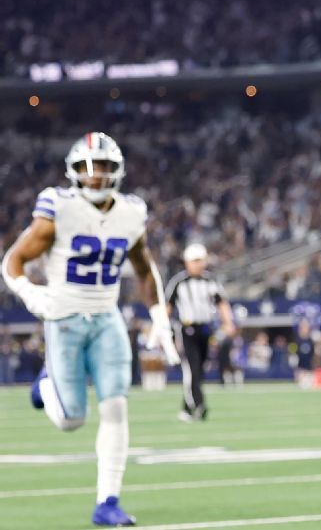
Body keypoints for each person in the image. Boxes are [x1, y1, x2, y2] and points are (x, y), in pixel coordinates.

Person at [2, 132, 179, 527]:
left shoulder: (132, 212)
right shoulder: (59, 207)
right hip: (64, 318)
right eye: (87, 168)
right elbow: (12, 261)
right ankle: (44, 386)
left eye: (103, 167)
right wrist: (31, 294)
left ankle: (107, 502)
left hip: (106, 316)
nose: (95, 176)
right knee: (70, 420)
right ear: (74, 171)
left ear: (117, 171)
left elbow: (143, 265)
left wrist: (159, 316)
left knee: (116, 407)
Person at [164, 242, 237, 421]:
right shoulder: (179, 282)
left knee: (200, 369)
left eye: (201, 260)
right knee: (192, 368)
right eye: (195, 260)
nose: (199, 264)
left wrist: (228, 322)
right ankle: (199, 405)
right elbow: (168, 307)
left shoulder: (210, 281)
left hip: (206, 328)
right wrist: (165, 331)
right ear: (187, 262)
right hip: (187, 329)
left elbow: (222, 302)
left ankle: (186, 409)